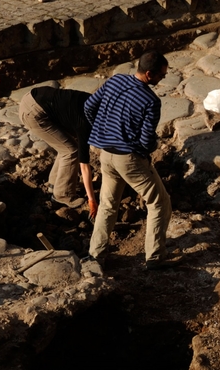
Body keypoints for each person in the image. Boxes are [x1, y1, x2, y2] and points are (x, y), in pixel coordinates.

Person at [84, 51, 178, 270]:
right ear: (148, 74)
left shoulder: (115, 80)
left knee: (107, 205)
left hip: (105, 154)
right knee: (159, 202)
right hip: (129, 159)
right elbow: (146, 141)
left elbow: (89, 106)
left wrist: (102, 130)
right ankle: (155, 258)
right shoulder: (150, 101)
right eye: (161, 76)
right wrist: (154, 145)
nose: (162, 79)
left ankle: (95, 256)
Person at [19, 87, 98, 218]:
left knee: (65, 146)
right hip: (34, 113)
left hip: (35, 98)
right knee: (71, 150)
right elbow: (84, 165)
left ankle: (54, 184)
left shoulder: (91, 100)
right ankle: (63, 194)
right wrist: (91, 199)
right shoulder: (84, 123)